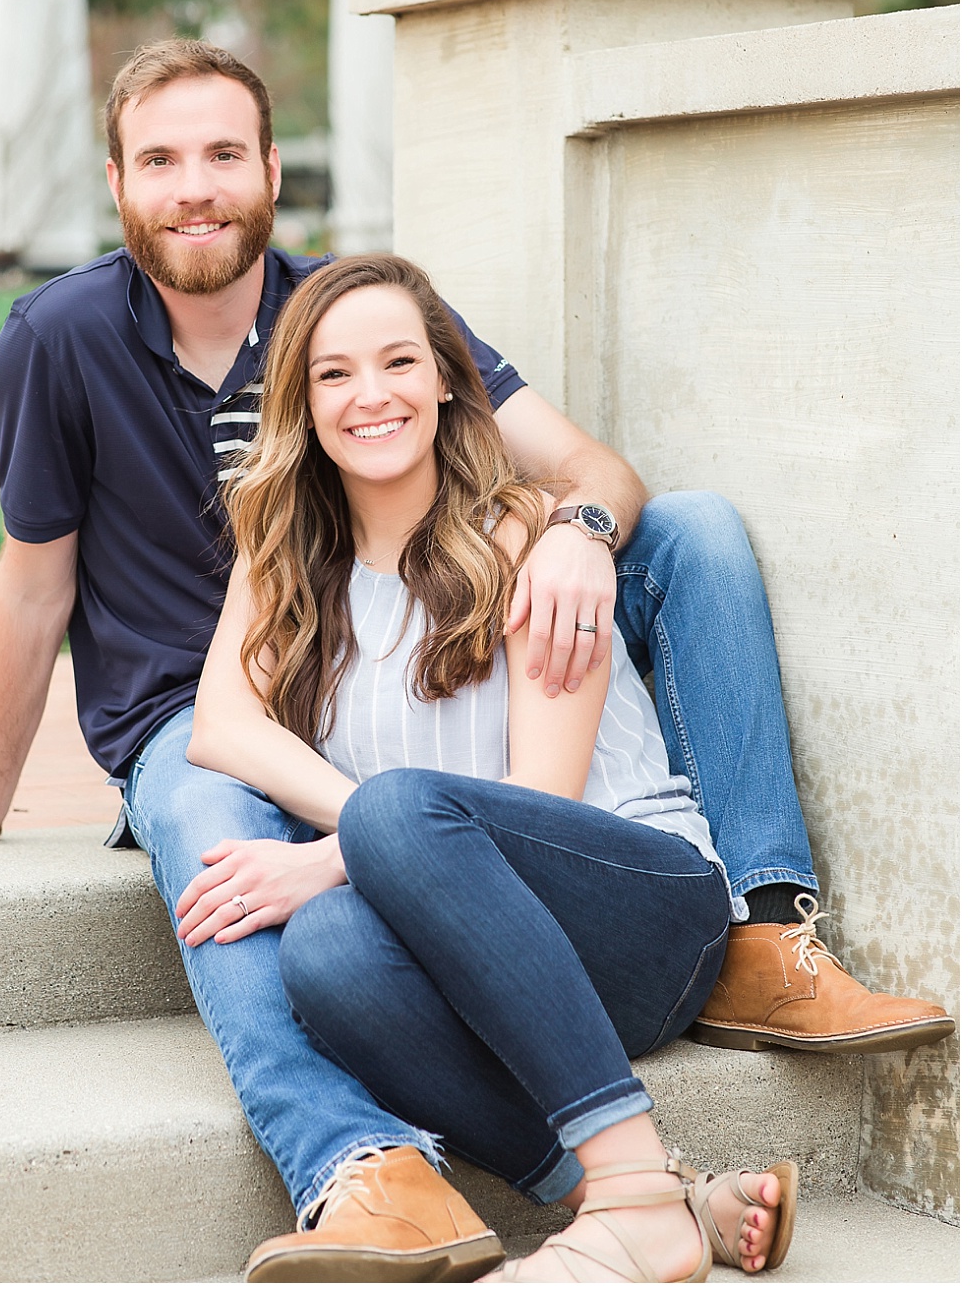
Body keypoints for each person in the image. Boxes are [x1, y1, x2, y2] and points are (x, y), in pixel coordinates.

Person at [0, 40, 952, 1274]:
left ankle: (761, 929)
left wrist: (579, 530)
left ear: (273, 168)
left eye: (224, 153)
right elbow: (52, 589)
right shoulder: (89, 362)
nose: (196, 185)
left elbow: (585, 500)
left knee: (687, 534)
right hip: (225, 705)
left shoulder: (380, 340)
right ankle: (527, 1179)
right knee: (298, 916)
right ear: (117, 182)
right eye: (160, 159)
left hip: (545, 836)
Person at [184, 251, 798, 1282]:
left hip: (641, 914)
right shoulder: (282, 547)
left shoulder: (521, 531)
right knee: (325, 955)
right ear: (301, 401)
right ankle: (658, 1195)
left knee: (364, 854)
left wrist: (339, 852)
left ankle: (634, 1197)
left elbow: (539, 802)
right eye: (334, 374)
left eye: (398, 362)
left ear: (444, 382)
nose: (370, 395)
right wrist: (364, 849)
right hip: (488, 948)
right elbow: (219, 725)